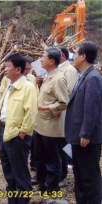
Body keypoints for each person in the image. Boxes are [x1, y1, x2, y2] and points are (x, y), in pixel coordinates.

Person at [0, 53, 38, 204]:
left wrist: (22, 133)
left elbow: (31, 112)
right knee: (9, 173)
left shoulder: (28, 87)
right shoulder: (9, 85)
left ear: (18, 69)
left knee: (21, 175)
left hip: (17, 136)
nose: (4, 69)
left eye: (7, 66)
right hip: (4, 132)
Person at [65, 41, 102, 204]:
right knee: (80, 177)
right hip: (78, 135)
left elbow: (91, 108)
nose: (73, 56)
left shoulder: (93, 78)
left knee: (89, 178)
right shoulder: (84, 76)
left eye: (76, 53)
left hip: (86, 138)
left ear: (83, 56)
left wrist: (85, 133)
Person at [34, 47, 68, 194]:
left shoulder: (59, 78)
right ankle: (42, 185)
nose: (41, 59)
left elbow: (63, 103)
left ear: (52, 61)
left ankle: (53, 188)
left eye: (44, 57)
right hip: (40, 125)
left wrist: (45, 108)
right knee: (39, 158)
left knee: (52, 160)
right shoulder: (47, 76)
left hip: (52, 127)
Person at [56, 45, 78, 187]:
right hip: (56, 113)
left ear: (61, 56)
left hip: (64, 113)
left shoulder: (69, 70)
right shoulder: (59, 70)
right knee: (57, 146)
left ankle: (62, 175)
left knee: (63, 146)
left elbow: (70, 93)